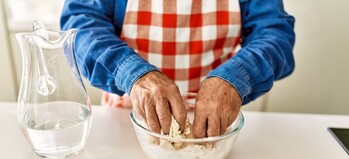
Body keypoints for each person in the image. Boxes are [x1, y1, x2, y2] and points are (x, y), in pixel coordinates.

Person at [60, 0, 295, 137]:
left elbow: (274, 33)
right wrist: (131, 72)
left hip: (217, 126)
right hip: (126, 121)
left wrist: (236, 77)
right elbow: (81, 24)